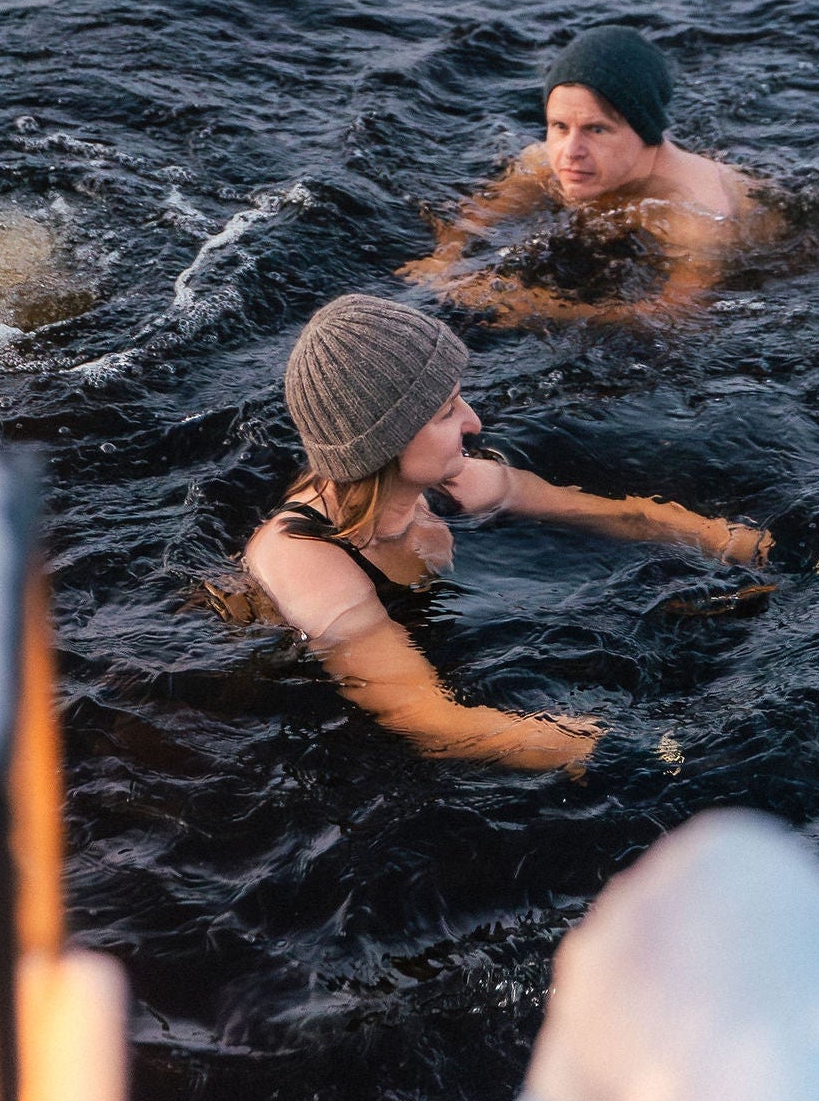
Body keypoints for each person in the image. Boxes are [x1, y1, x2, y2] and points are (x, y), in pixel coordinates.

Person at [240, 293, 770, 771]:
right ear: (388, 443)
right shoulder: (308, 559)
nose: (473, 422)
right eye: (447, 412)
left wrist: (737, 542)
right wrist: (610, 748)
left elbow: (616, 514)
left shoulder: (450, 483)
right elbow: (426, 720)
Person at [401, 25, 771, 323]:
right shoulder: (546, 157)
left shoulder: (698, 214)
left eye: (596, 129)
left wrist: (532, 306)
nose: (570, 152)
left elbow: (676, 316)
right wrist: (444, 257)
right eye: (559, 126)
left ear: (644, 132)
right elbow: (483, 212)